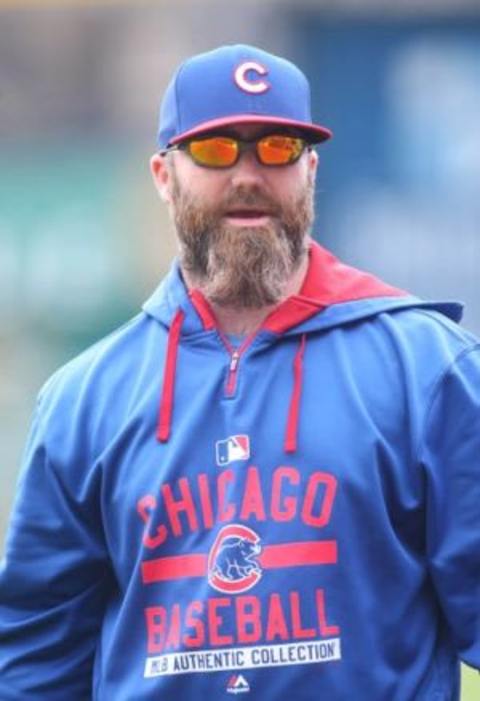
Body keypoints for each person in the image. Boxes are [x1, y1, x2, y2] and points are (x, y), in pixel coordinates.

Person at [0, 43, 478, 701]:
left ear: (311, 169)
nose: (249, 174)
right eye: (218, 150)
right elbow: (35, 658)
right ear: (164, 176)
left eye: (278, 148)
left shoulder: (427, 368)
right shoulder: (84, 400)